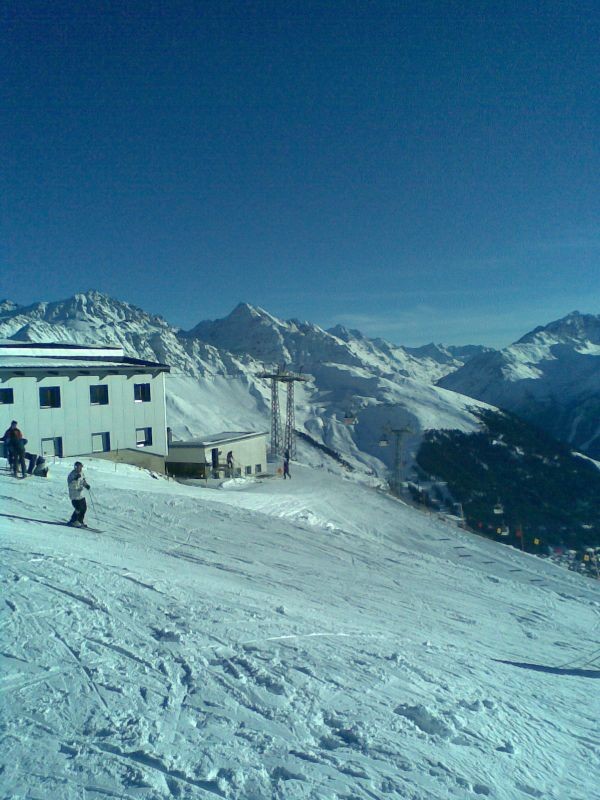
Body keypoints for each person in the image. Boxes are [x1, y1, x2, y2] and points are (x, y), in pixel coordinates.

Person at [67, 461, 90, 527]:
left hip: (81, 495)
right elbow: (71, 485)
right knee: (78, 508)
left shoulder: (81, 473)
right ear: (75, 467)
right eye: (79, 467)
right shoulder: (72, 475)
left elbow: (83, 481)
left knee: (84, 508)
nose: (80, 469)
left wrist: (86, 485)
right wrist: (75, 479)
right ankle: (73, 520)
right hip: (74, 495)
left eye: (81, 467)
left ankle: (80, 521)